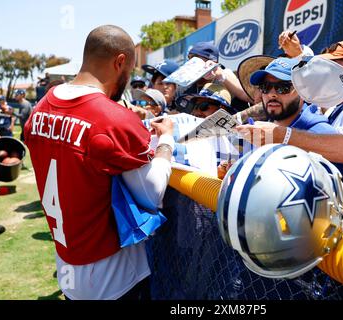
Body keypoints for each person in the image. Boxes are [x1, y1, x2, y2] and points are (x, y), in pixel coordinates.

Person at [24, 25, 175, 300]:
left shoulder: (42, 106)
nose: (127, 80)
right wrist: (166, 143)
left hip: (67, 261)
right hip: (112, 273)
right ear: (120, 62)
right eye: (128, 72)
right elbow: (151, 194)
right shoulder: (113, 117)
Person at [234, 57, 343, 176]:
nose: (272, 94)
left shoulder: (322, 133)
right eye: (265, 87)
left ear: (304, 92)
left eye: (283, 87)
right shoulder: (258, 131)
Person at [185, 42, 251, 109]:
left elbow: (250, 97)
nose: (191, 63)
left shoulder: (224, 75)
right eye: (190, 58)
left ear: (212, 61)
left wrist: (221, 76)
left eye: (195, 59)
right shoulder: (187, 85)